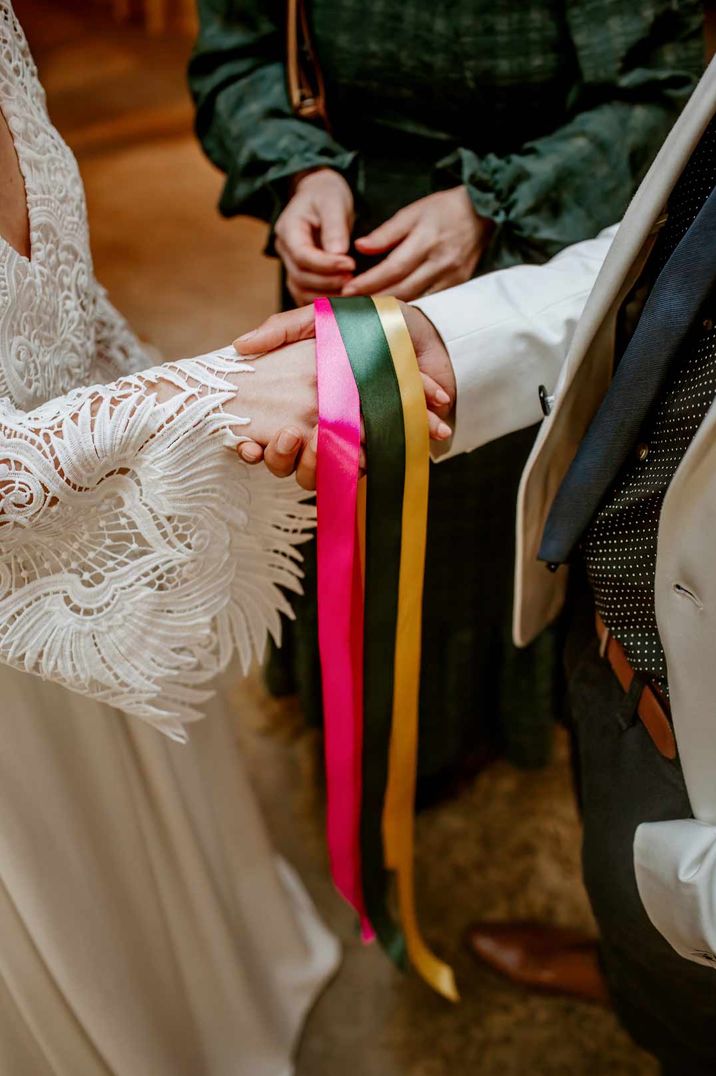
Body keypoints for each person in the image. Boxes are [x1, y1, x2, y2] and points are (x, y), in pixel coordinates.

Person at [239, 53, 716, 1072]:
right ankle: (636, 970)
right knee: (618, 825)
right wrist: (435, 340)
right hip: (632, 612)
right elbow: (676, 253)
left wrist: (698, 893)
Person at [188, 0, 703, 796]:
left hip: (536, 244)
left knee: (477, 541)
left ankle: (472, 733)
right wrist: (297, 170)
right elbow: (235, 55)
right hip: (342, 240)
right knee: (333, 509)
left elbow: (658, 101)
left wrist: (495, 204)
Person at [0, 6, 350, 1073]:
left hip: (77, 549)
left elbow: (55, 310)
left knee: (135, 850)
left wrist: (174, 409)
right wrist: (200, 397)